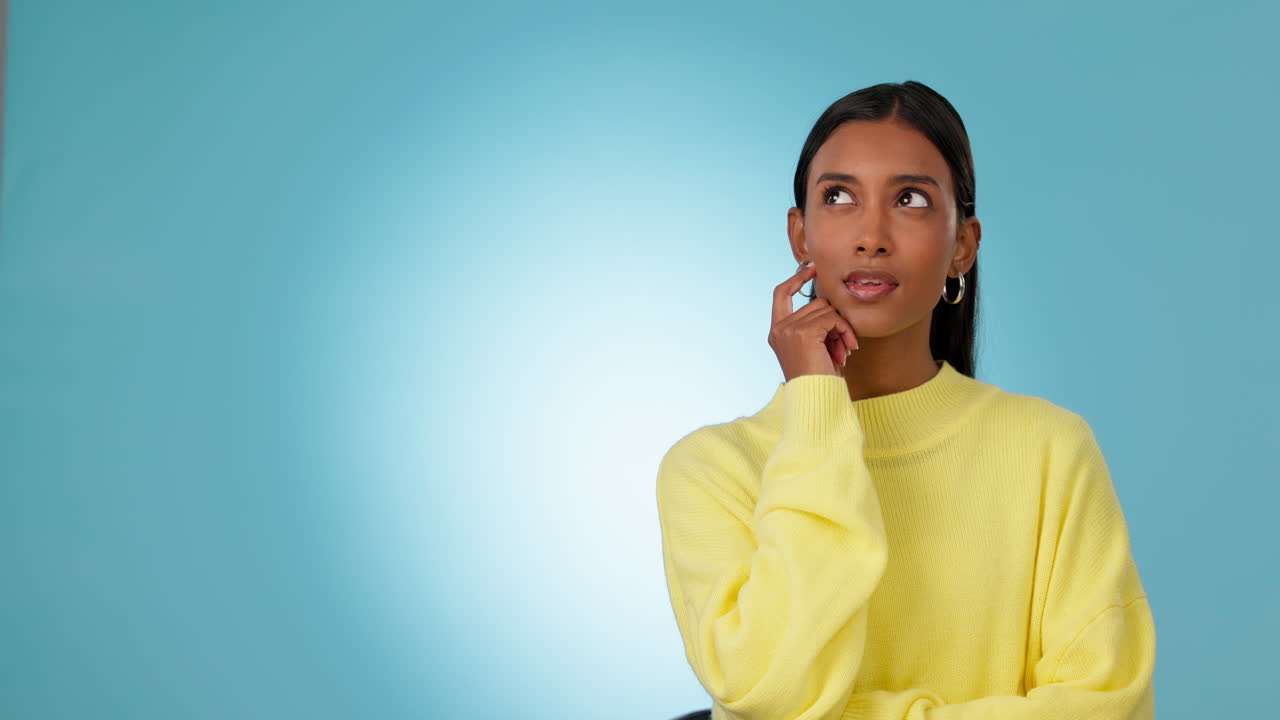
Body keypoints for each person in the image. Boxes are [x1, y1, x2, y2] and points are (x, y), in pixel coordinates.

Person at [655, 81, 1155, 720]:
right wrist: (815, 410)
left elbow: (1109, 704)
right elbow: (768, 691)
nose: (871, 236)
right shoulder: (712, 469)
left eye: (910, 199)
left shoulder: (1050, 449)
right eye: (839, 197)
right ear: (800, 236)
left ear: (962, 246)